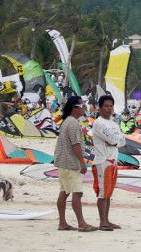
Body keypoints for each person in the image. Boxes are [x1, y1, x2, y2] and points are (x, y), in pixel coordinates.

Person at [54, 96, 96, 232]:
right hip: (71, 163)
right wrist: (82, 163)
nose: (84, 108)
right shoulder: (73, 123)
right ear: (75, 108)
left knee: (64, 192)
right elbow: (76, 145)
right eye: (82, 106)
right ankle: (81, 224)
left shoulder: (66, 121)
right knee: (77, 193)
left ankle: (62, 223)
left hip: (63, 162)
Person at [91, 95, 125, 231]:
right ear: (100, 108)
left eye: (111, 106)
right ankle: (102, 222)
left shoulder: (114, 123)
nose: (109, 108)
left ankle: (107, 220)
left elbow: (122, 141)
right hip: (103, 161)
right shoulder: (99, 123)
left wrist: (115, 141)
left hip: (113, 161)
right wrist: (115, 141)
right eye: (106, 106)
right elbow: (113, 140)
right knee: (103, 192)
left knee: (108, 193)